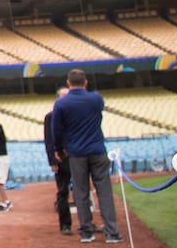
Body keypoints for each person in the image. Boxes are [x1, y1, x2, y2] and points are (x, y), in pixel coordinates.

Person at [52, 69, 124, 244]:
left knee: (81, 192)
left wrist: (59, 149)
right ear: (86, 83)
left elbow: (57, 129)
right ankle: (112, 232)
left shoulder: (62, 103)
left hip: (76, 152)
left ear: (68, 84)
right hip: (97, 149)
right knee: (104, 191)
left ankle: (86, 232)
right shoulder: (96, 98)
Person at [45, 86, 73, 235]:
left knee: (83, 191)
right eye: (63, 96)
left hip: (77, 156)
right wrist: (53, 162)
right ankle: (65, 224)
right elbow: (49, 140)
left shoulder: (75, 114)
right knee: (63, 192)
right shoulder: (50, 117)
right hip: (60, 159)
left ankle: (87, 223)